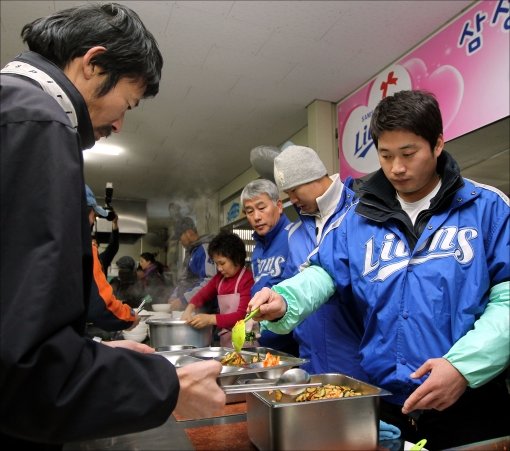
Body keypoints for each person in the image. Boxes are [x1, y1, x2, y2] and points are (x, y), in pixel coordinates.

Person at [0, 3, 225, 449]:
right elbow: (26, 373)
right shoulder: (37, 122)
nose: (121, 123)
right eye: (128, 102)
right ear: (93, 63)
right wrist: (166, 388)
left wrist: (89, 356)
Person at [248, 90, 510, 448]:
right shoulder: (359, 218)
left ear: (437, 145)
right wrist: (285, 299)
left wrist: (464, 367)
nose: (396, 168)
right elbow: (323, 272)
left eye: (408, 153)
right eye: (385, 155)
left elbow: (507, 300)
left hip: (469, 401)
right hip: (388, 403)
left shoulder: (487, 208)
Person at [273, 145, 366, 379]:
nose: (292, 200)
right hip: (309, 361)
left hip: (355, 362)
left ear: (313, 176)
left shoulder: (360, 214)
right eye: (287, 194)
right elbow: (290, 287)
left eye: (294, 190)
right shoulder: (294, 234)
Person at [240, 179, 299, 356]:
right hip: (266, 342)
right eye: (250, 211)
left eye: (262, 208)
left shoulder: (295, 236)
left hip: (293, 344)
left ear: (279, 206)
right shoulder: (258, 248)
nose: (256, 217)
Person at [181, 231, 254, 347]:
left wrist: (210, 319)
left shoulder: (247, 279)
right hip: (227, 338)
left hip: (247, 338)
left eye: (222, 263)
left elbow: (241, 316)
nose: (219, 268)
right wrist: (189, 309)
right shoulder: (219, 279)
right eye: (216, 264)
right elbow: (202, 294)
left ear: (237, 258)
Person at [85, 185, 138, 333]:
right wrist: (130, 317)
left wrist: (115, 225)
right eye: (93, 215)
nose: (93, 220)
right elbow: (100, 306)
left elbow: (113, 246)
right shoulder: (84, 251)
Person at [167, 217, 217, 311]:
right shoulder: (192, 252)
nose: (180, 241)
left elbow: (210, 280)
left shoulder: (204, 249)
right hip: (193, 308)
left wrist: (184, 300)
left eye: (180, 237)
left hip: (205, 309)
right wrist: (175, 295)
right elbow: (185, 279)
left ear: (189, 233)